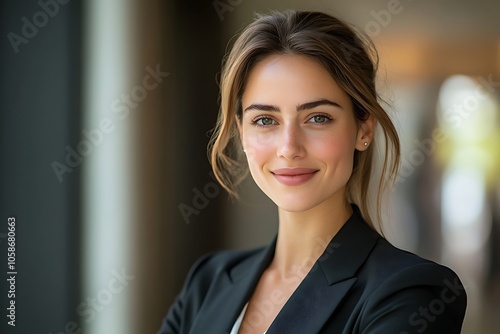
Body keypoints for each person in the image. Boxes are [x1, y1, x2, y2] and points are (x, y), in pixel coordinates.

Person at [158, 10, 467, 334]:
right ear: (242, 133)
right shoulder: (208, 282)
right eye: (265, 120)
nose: (289, 147)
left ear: (364, 128)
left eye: (318, 117)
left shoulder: (411, 293)